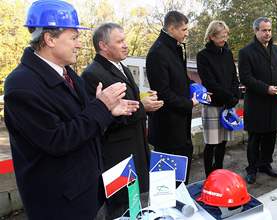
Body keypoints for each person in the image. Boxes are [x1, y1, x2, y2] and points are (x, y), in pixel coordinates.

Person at [3, 1, 139, 219]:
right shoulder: (22, 86)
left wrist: (107, 112)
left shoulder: (67, 73)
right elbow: (58, 140)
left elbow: (83, 121)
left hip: (86, 192)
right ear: (49, 39)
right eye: (74, 38)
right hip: (59, 203)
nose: (79, 45)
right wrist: (101, 107)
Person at [81, 23, 164, 218]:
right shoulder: (92, 75)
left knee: (135, 206)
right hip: (117, 157)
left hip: (136, 150)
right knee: (121, 209)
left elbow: (129, 101)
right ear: (103, 45)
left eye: (125, 40)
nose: (125, 45)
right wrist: (142, 107)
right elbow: (99, 120)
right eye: (120, 41)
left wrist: (144, 101)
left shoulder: (121, 67)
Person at [146, 11, 198, 184]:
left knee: (182, 176)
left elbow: (180, 77)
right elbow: (163, 92)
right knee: (167, 182)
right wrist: (189, 103)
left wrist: (193, 85)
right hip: (167, 128)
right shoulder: (157, 53)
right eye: (184, 29)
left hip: (180, 124)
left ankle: (181, 202)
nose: (187, 33)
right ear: (171, 28)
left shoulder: (175, 47)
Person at [238, 17, 277, 184]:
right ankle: (252, 168)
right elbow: (245, 78)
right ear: (256, 31)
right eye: (264, 30)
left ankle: (265, 164)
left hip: (273, 102)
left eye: (269, 30)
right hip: (256, 102)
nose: (267, 33)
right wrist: (265, 88)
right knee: (255, 138)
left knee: (270, 136)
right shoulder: (246, 52)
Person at [196, 21, 241, 177]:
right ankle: (210, 176)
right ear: (212, 36)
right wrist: (229, 96)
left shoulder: (227, 53)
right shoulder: (203, 56)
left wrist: (236, 96)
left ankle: (219, 172)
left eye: (226, 35)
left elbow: (234, 77)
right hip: (213, 105)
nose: (225, 38)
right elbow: (209, 82)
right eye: (222, 36)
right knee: (212, 143)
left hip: (228, 104)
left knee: (223, 141)